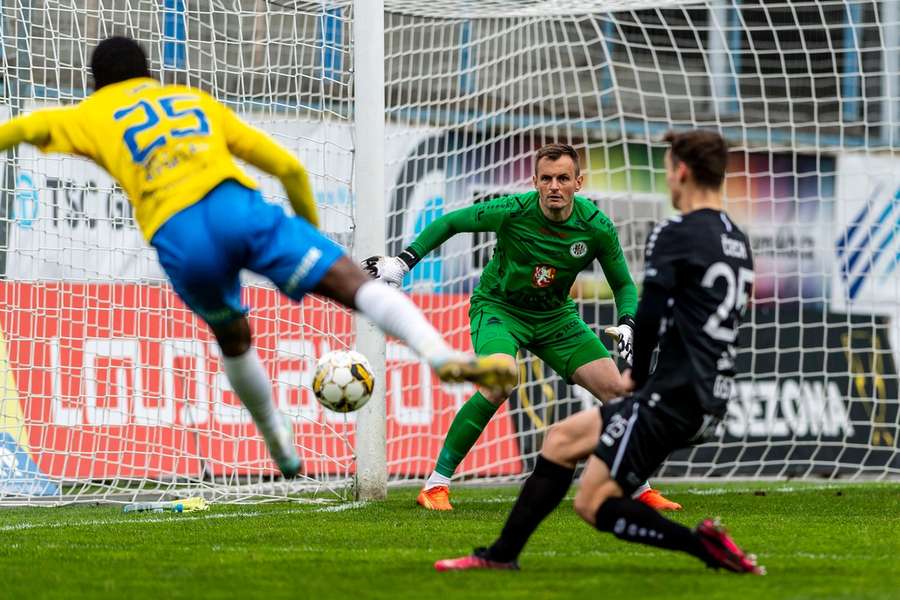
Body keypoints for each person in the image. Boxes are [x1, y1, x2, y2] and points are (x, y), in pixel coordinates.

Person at [0, 36, 516, 478]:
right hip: (237, 207)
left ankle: (277, 438)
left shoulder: (87, 115)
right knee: (356, 285)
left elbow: (19, 131)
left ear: (95, 84)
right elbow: (289, 168)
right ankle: (439, 354)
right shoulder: (190, 101)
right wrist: (311, 238)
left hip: (179, 237)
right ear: (150, 73)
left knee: (234, 338)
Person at [433, 129, 763, 575]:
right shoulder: (737, 239)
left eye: (667, 167)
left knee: (593, 500)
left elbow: (648, 307)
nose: (554, 186)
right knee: (562, 441)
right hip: (712, 392)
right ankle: (499, 552)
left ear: (681, 171)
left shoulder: (673, 233)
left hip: (672, 393)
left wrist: (636, 365)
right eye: (546, 178)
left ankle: (701, 543)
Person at [364, 143, 680, 511]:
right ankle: (436, 485)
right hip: (500, 310)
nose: (554, 186)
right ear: (535, 182)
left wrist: (627, 322)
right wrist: (404, 262)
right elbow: (450, 222)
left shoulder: (596, 227)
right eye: (546, 179)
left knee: (618, 393)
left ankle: (639, 488)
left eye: (563, 178)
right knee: (499, 381)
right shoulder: (512, 211)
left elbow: (624, 284)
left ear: (579, 182)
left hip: (557, 318)